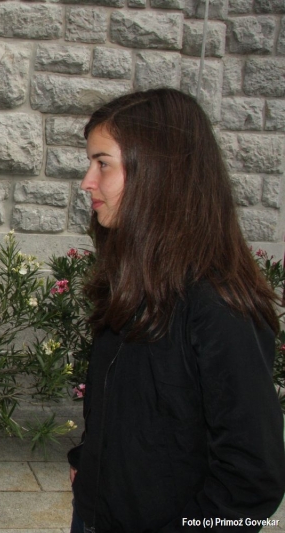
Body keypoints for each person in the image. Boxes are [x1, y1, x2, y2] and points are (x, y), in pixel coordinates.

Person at [68, 88, 285, 532]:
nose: (87, 181)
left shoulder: (219, 307)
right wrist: (88, 467)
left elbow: (251, 482)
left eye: (103, 163)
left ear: (158, 173)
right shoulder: (134, 283)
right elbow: (129, 410)